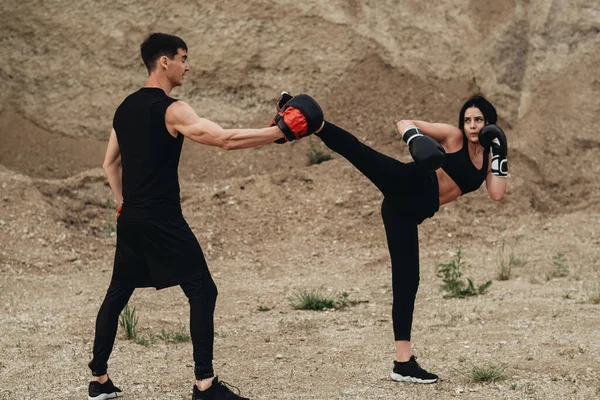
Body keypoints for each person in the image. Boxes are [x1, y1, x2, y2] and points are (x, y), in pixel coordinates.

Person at [87, 33, 323, 400]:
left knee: (118, 293)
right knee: (202, 290)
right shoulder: (172, 109)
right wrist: (278, 131)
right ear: (164, 62)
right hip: (162, 218)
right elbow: (223, 139)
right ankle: (205, 385)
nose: (187, 65)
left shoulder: (124, 108)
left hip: (132, 217)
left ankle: (98, 380)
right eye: (183, 57)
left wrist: (123, 201)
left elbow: (109, 163)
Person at [311, 94, 508, 383]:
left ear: (489, 123)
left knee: (407, 281)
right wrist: (414, 138)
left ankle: (403, 364)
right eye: (467, 120)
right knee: (362, 154)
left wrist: (501, 153)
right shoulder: (453, 137)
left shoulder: (489, 158)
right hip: (407, 182)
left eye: (478, 120)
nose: (472, 125)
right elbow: (404, 122)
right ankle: (313, 123)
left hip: (406, 213)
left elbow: (497, 193)